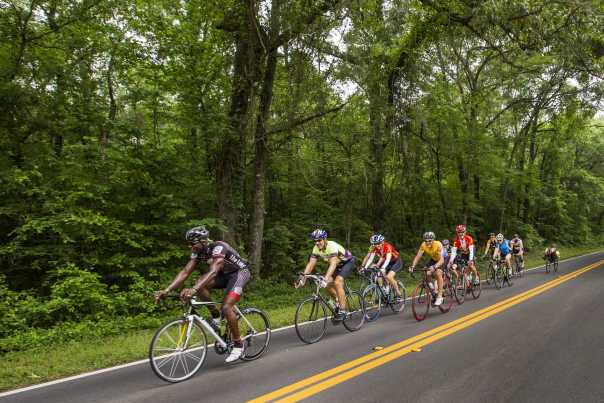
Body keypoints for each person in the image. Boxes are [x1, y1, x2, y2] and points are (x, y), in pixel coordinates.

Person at [154, 226, 252, 363]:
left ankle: (238, 345)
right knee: (199, 282)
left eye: (192, 244)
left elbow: (213, 271)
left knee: (227, 307)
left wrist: (193, 290)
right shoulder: (198, 252)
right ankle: (215, 315)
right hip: (224, 275)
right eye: (189, 244)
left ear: (203, 241)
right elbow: (185, 271)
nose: (190, 247)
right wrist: (167, 290)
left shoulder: (219, 247)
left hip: (239, 273)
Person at [296, 229, 356, 321]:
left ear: (324, 239)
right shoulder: (316, 248)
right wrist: (303, 278)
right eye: (315, 241)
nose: (317, 243)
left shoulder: (331, 246)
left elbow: (333, 264)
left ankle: (343, 311)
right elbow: (311, 264)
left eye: (319, 240)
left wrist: (325, 278)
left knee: (337, 282)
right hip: (336, 264)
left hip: (347, 262)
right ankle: (338, 301)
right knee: (326, 285)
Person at [361, 234, 403, 302]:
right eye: (374, 244)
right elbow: (370, 259)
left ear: (382, 242)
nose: (376, 245)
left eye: (377, 244)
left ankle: (398, 293)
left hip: (395, 262)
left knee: (389, 277)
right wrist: (365, 267)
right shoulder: (373, 247)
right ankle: (384, 289)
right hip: (387, 262)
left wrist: (383, 267)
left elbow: (388, 259)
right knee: (378, 273)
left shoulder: (387, 246)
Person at [409, 232, 445, 306]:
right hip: (434, 259)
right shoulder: (423, 245)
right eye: (426, 241)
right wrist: (412, 266)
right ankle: (432, 290)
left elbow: (442, 260)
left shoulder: (438, 244)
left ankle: (440, 296)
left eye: (430, 241)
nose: (428, 242)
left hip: (443, 259)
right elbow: (418, 256)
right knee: (425, 271)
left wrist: (435, 267)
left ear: (433, 240)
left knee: (438, 273)